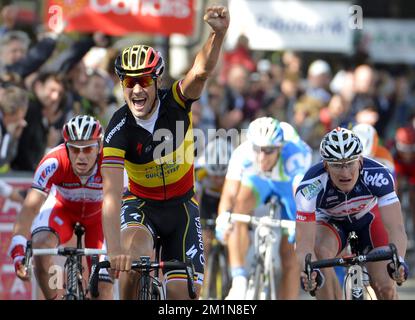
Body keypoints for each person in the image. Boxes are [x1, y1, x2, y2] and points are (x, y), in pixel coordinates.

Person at [101, 5, 229, 300]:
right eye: (129, 82)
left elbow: (201, 70)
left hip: (182, 208)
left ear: (156, 80)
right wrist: (115, 250)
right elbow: (110, 195)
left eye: (143, 80)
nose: (136, 90)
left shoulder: (176, 103)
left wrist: (217, 34)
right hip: (141, 206)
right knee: (136, 261)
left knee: (179, 294)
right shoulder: (118, 128)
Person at [295, 127, 408, 300]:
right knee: (319, 255)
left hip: (368, 219)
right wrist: (310, 272)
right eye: (337, 165)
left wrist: (398, 260)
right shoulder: (310, 187)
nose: (345, 172)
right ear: (325, 164)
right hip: (331, 222)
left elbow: (396, 229)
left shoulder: (378, 175)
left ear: (360, 161)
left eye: (350, 163)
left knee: (385, 286)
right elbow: (304, 245)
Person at [8, 115, 112, 300]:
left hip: (99, 217)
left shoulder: (111, 162)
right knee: (40, 248)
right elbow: (30, 209)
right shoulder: (53, 162)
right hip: (62, 210)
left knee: (103, 287)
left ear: (100, 147)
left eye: (88, 149)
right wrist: (18, 250)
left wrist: (120, 247)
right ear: (66, 147)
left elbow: (123, 205)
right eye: (74, 149)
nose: (81, 156)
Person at [215, 117, 312, 300]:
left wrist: (299, 227)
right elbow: (229, 194)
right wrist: (223, 218)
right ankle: (239, 280)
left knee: (290, 256)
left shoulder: (295, 156)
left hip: (287, 187)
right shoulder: (242, 154)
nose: (261, 157)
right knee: (237, 210)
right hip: (259, 183)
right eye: (257, 149)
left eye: (268, 151)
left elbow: (301, 199)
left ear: (280, 148)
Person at [393, 126, 415, 246]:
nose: (407, 154)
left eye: (409, 149)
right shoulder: (392, 149)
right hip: (399, 168)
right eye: (404, 149)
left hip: (413, 169)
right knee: (396, 189)